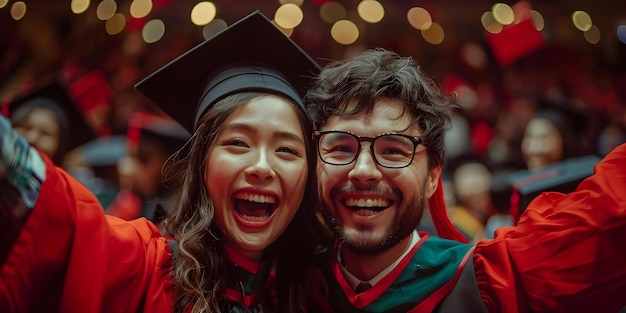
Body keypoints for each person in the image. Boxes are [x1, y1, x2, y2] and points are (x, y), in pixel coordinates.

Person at [0, 11, 329, 313]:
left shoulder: (313, 295)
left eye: (286, 150)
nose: (261, 166)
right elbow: (66, 222)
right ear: (201, 163)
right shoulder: (147, 268)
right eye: (238, 143)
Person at [305, 48, 626, 312]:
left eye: (393, 151)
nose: (363, 171)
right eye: (341, 147)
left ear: (433, 177)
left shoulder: (489, 282)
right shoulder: (289, 285)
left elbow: (611, 213)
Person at [105, 112, 190, 222]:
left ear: (151, 163)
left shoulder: (178, 213)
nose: (124, 166)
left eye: (132, 157)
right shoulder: (150, 203)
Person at [2, 78, 96, 165]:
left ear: (59, 146)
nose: (32, 138)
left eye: (46, 133)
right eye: (25, 127)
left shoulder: (59, 183)